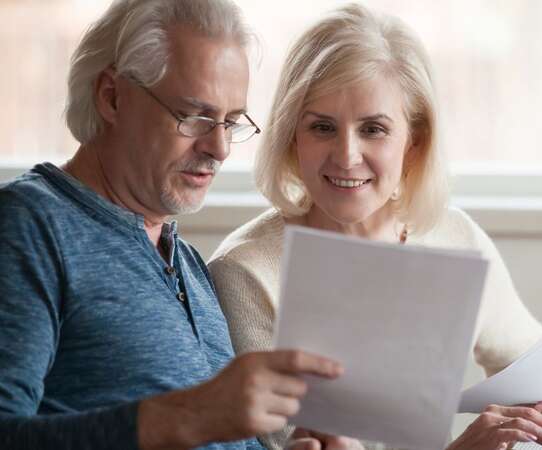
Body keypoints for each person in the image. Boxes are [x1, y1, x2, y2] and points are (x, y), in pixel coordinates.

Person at [209, 4, 542, 450]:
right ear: (292, 134)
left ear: (415, 141)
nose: (346, 155)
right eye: (322, 127)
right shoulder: (247, 271)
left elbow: (527, 355)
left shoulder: (453, 236)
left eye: (373, 129)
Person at [0, 1, 343, 449]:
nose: (219, 147)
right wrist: (186, 416)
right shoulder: (29, 226)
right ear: (112, 96)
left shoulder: (189, 264)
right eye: (195, 116)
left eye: (231, 122)